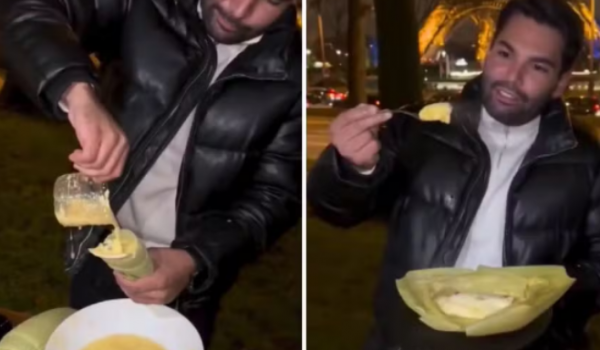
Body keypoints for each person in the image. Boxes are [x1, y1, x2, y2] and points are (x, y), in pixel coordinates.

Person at [0, 0, 301, 346]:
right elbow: (29, 9)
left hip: (192, 278)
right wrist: (78, 94)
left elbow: (276, 197)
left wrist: (194, 259)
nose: (239, 8)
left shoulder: (292, 76)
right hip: (106, 248)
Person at [308, 0, 600, 349]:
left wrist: (545, 306)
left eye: (537, 67)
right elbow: (334, 209)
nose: (512, 78)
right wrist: (353, 167)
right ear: (489, 51)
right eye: (505, 54)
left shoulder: (587, 163)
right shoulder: (419, 131)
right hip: (408, 340)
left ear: (560, 82)